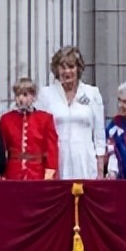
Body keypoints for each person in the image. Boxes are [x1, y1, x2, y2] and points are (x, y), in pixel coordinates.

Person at [36, 46, 105, 180]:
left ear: (78, 69)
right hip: (56, 159)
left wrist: (100, 170)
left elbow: (99, 135)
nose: (67, 71)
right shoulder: (45, 94)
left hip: (84, 159)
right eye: (62, 67)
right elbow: (39, 132)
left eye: (71, 67)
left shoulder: (92, 93)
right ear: (56, 70)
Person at [0, 78, 59, 181]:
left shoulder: (45, 119)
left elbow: (51, 148)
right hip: (13, 172)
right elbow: (2, 148)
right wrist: (2, 173)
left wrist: (50, 171)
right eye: (18, 95)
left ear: (34, 97)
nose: (21, 98)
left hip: (37, 172)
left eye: (25, 95)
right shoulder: (6, 119)